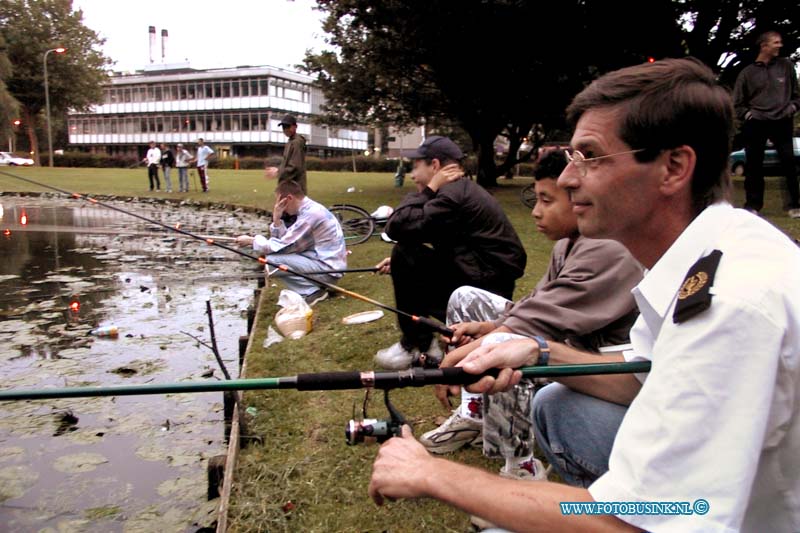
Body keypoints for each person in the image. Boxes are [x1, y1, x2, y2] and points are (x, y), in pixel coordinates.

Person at [369, 58, 800, 532]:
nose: (570, 179)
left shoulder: (731, 302)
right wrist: (541, 350)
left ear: (673, 167)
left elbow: (651, 522)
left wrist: (430, 473)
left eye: (590, 157)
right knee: (557, 404)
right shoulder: (708, 254)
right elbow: (643, 379)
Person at [418, 151, 642, 516]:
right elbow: (538, 301)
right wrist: (489, 326)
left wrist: (493, 339)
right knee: (467, 300)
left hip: (603, 366)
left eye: (546, 200)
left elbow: (544, 320)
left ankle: (520, 468)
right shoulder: (567, 244)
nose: (536, 211)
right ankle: (474, 414)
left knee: (510, 347)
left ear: (581, 199)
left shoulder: (609, 248)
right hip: (569, 341)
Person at [373, 135, 527, 370]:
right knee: (405, 256)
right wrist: (401, 262)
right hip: (485, 281)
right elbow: (425, 234)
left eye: (417, 166)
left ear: (434, 166)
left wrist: (429, 189)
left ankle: (417, 346)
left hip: (484, 297)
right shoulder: (460, 191)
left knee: (404, 254)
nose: (413, 175)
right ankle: (420, 343)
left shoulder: (452, 194)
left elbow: (396, 226)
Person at [234, 180, 346, 306]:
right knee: (274, 258)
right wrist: (277, 219)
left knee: (271, 260)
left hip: (328, 272)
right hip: (326, 266)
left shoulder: (311, 215)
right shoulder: (310, 210)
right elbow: (287, 241)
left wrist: (251, 241)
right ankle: (311, 290)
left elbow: (281, 247)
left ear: (289, 198)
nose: (280, 206)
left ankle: (312, 293)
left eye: (280, 203)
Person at [733, 30, 800, 217]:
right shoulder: (747, 73)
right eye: (776, 42)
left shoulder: (786, 66)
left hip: (782, 122)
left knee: (789, 163)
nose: (780, 45)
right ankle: (753, 206)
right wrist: (748, 115)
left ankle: (795, 205)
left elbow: (796, 97)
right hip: (757, 124)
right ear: (764, 46)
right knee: (754, 165)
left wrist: (791, 109)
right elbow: (737, 103)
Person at [265, 114, 307, 194]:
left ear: (295, 126)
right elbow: (287, 163)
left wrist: (278, 172)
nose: (285, 130)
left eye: (288, 126)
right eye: (283, 127)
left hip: (295, 188)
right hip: (289, 187)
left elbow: (295, 166)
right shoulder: (290, 142)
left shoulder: (296, 143)